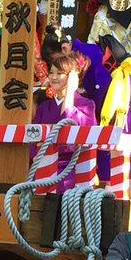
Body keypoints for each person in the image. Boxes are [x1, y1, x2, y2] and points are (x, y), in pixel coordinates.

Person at [29, 52, 97, 192]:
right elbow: (32, 139)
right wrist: (36, 157)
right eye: (51, 72)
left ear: (72, 77)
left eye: (59, 73)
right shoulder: (44, 107)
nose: (53, 77)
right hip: (43, 166)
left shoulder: (86, 105)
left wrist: (70, 94)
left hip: (73, 171)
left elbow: (73, 127)